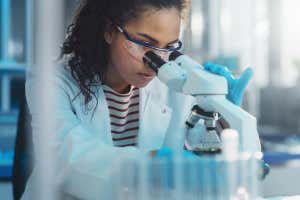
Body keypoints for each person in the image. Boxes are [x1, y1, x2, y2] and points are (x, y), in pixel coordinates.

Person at [22, 0, 260, 199]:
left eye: (169, 47)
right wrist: (154, 165)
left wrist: (222, 113)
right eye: (145, 43)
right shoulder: (52, 81)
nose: (155, 61)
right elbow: (69, 159)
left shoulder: (172, 86)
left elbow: (204, 153)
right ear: (109, 31)